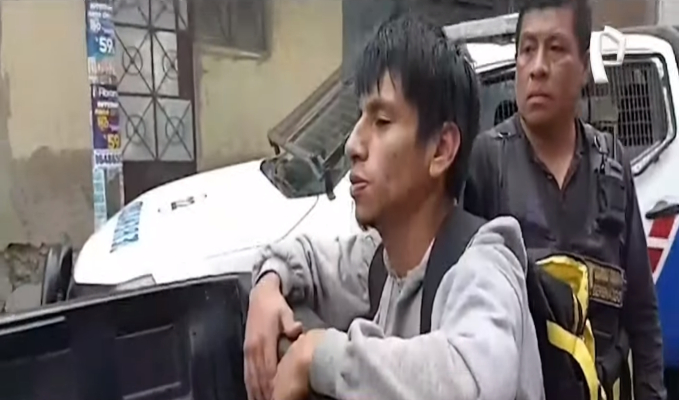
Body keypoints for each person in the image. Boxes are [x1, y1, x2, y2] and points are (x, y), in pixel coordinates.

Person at [243, 14, 544, 400]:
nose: (353, 145)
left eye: (382, 121)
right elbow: (302, 258)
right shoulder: (379, 261)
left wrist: (318, 355)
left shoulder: (485, 268)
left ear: (441, 149)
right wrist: (267, 287)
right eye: (360, 119)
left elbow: (471, 377)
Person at [463, 0, 666, 399]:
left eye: (555, 49)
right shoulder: (484, 162)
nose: (537, 67)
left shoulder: (612, 163)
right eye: (527, 49)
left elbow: (641, 310)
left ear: (584, 66)